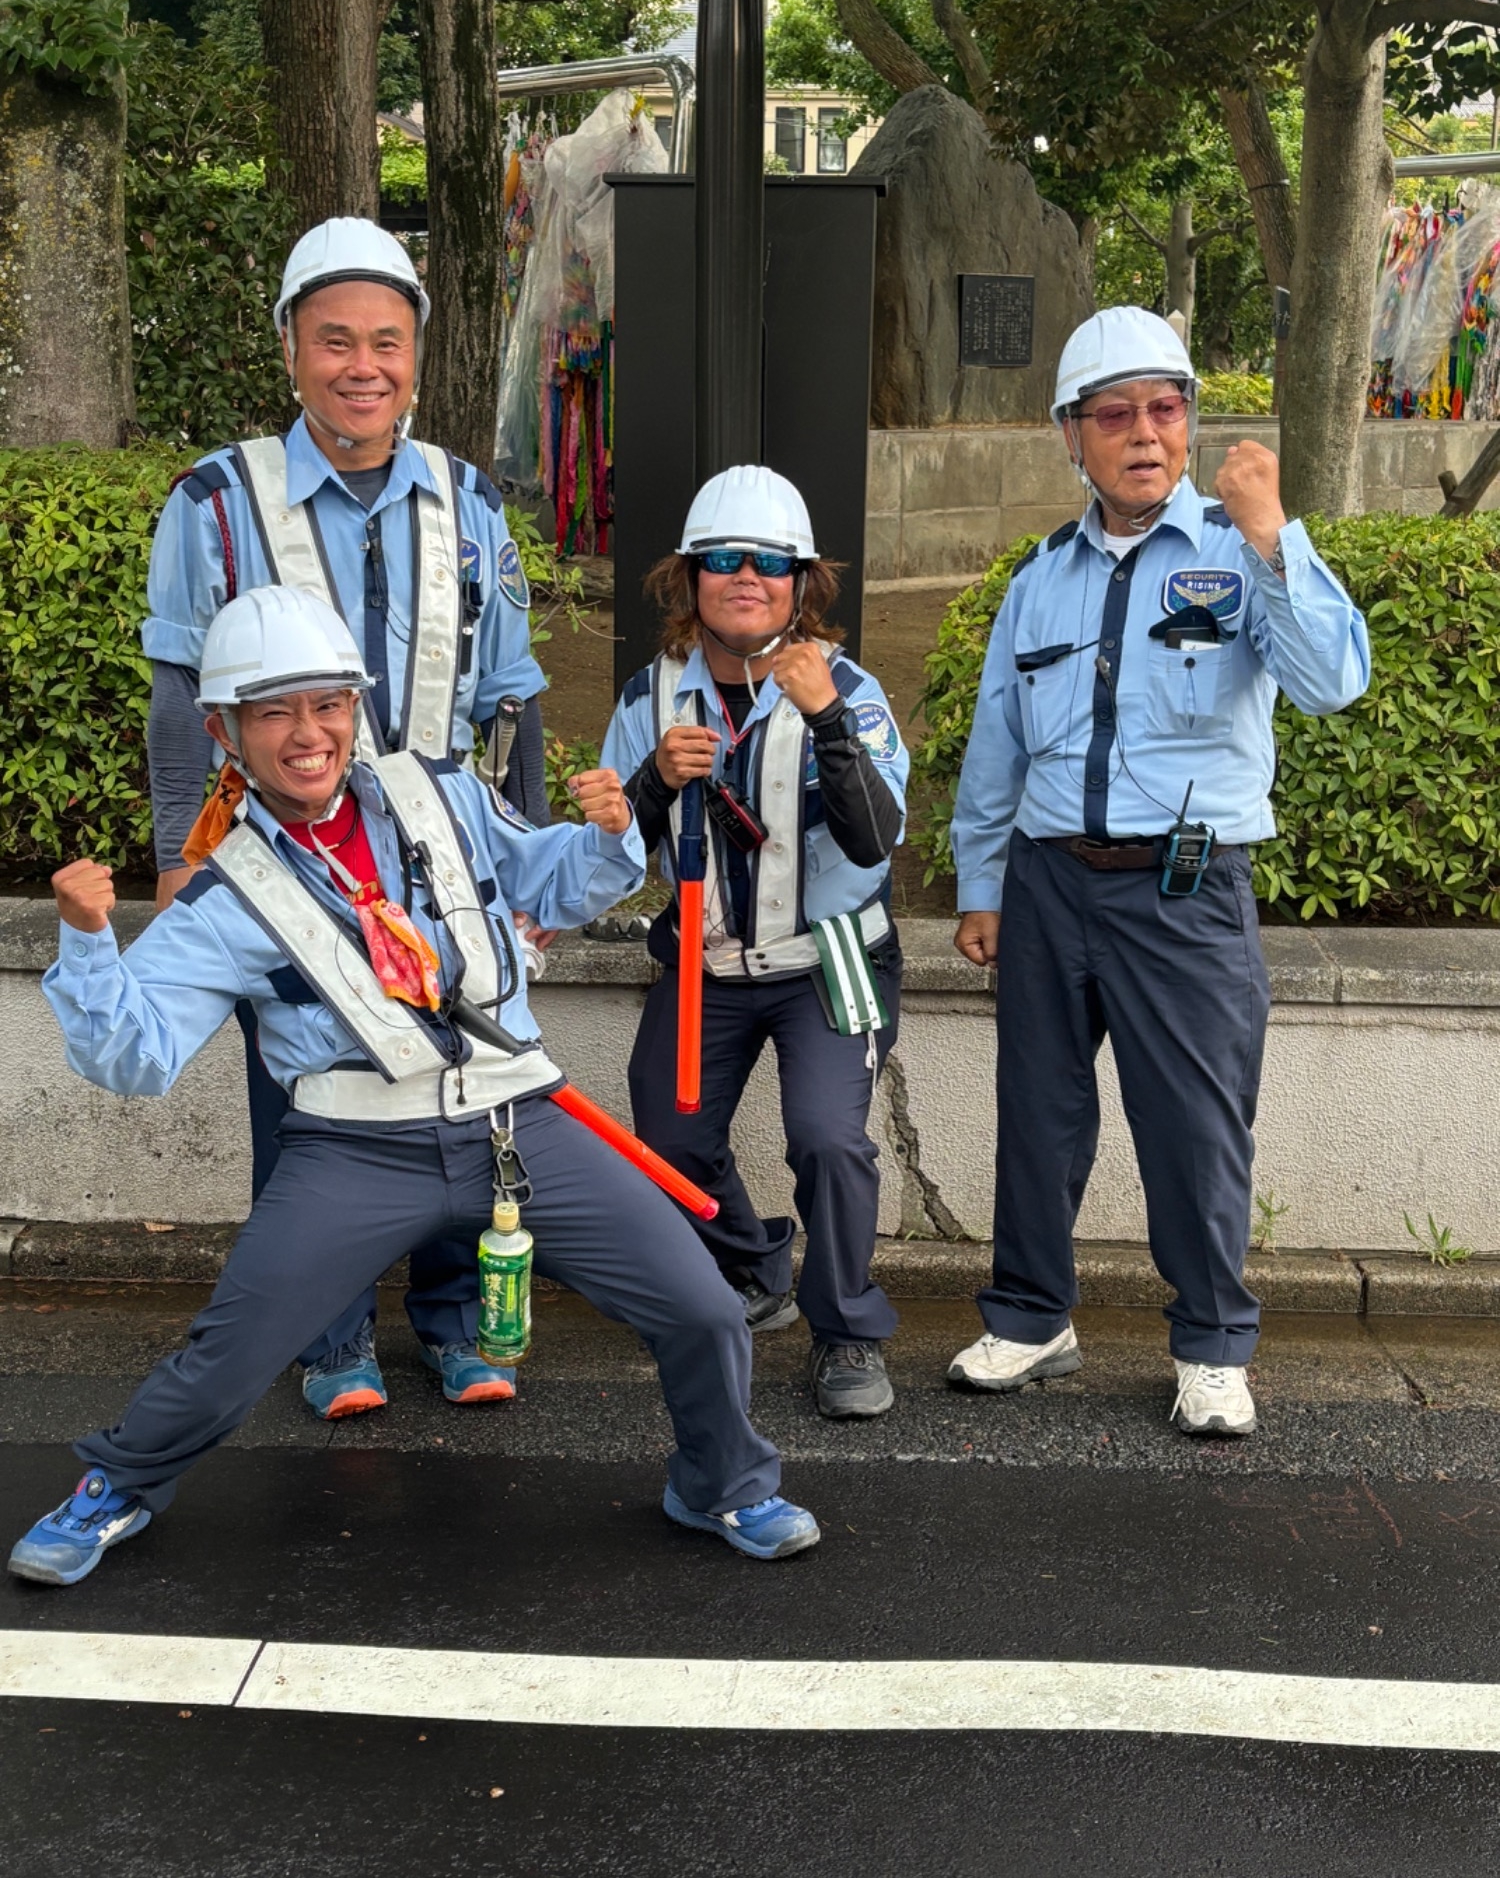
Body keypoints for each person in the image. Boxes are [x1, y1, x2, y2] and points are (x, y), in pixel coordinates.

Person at [8, 586, 819, 1587]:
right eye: (274, 711)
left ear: (355, 706)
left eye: (327, 703)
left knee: (701, 1306)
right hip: (355, 1147)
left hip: (518, 1117)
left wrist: (607, 833)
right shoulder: (226, 888)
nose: (308, 733)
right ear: (225, 732)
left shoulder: (439, 791)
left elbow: (552, 880)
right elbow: (134, 1057)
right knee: (231, 1351)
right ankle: (116, 1483)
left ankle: (721, 1481)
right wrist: (88, 940)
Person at [143, 215, 548, 1421]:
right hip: (284, 857)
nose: (362, 366)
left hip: (440, 850)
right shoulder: (216, 502)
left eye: (386, 341)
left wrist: (527, 872)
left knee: (460, 1077)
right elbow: (179, 699)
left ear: (416, 354)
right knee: (307, 1090)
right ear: (289, 348)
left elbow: (512, 696)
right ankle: (330, 1336)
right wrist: (176, 860)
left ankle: (450, 1320)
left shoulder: (469, 500)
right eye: (334, 340)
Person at [945, 306, 1371, 1436]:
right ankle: (1031, 1317)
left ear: (1189, 423)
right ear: (1071, 436)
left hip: (1184, 888)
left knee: (1193, 1127)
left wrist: (1274, 536)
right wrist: (982, 884)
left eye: (1165, 408)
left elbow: (1332, 682)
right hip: (1048, 881)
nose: (1144, 432)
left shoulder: (1239, 552)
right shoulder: (1041, 577)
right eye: (1114, 414)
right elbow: (997, 741)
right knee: (1038, 1114)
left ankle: (1213, 1345)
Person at [601, 466, 908, 1420]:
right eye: (725, 559)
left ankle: (847, 1331)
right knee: (670, 1136)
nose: (747, 577)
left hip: (831, 958)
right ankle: (753, 1265)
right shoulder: (651, 697)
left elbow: (876, 838)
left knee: (827, 1138)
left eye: (771, 563)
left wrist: (826, 720)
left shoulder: (850, 689)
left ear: (801, 581)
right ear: (690, 576)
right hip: (708, 958)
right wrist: (651, 783)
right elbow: (606, 856)